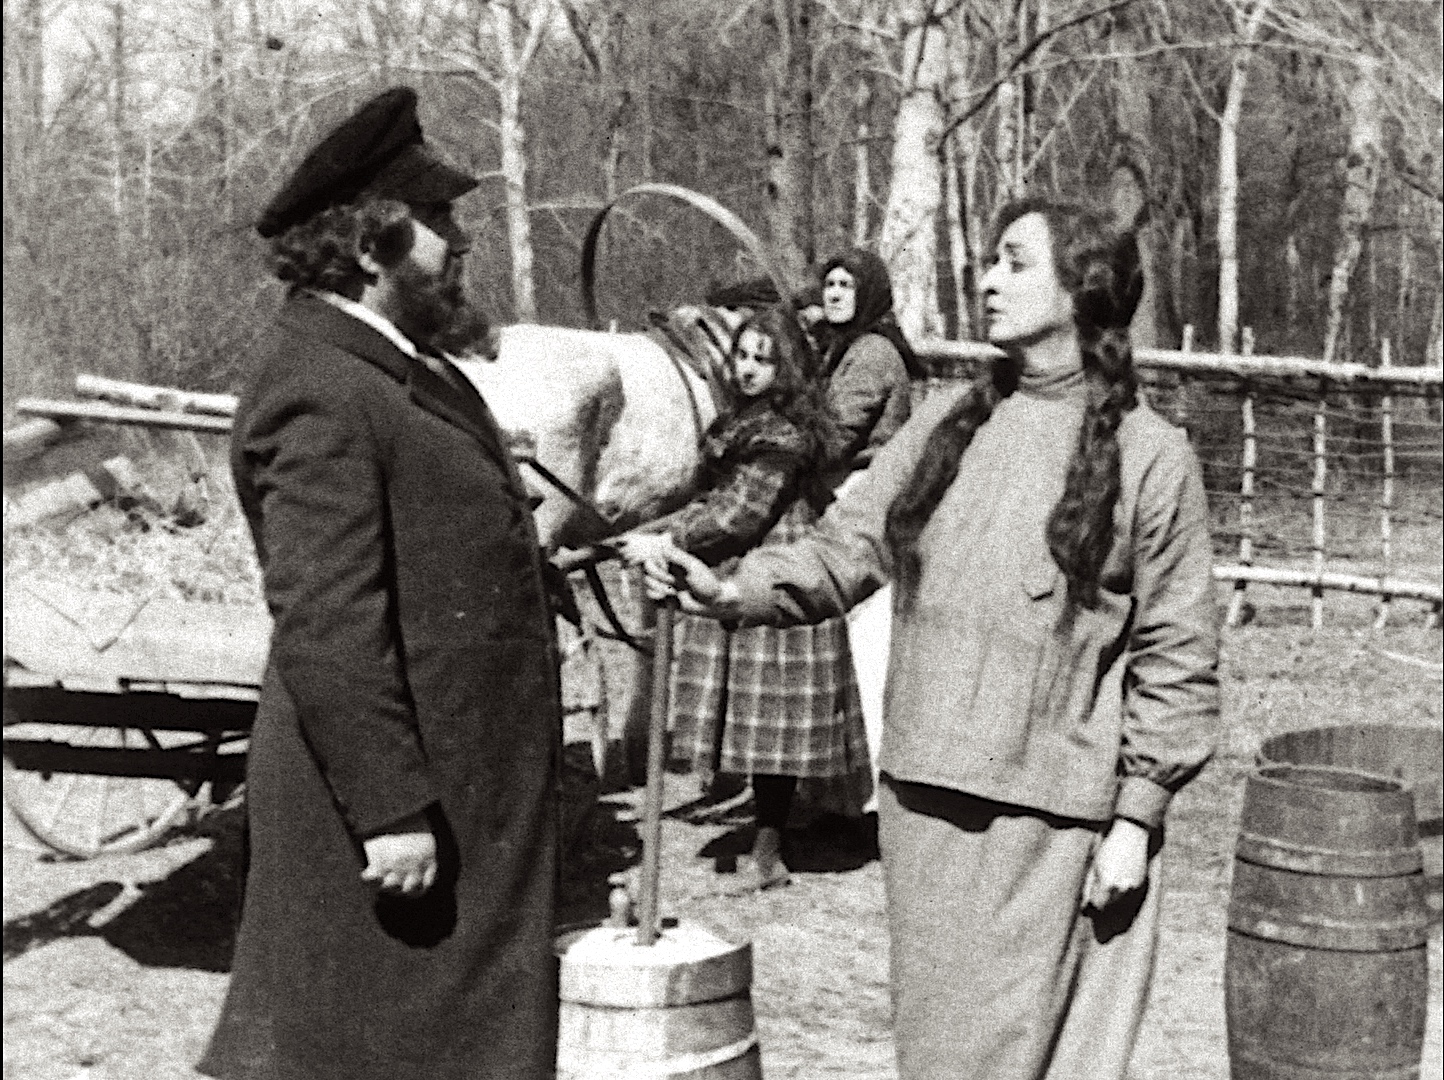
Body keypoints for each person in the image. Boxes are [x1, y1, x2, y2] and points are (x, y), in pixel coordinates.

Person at [642, 198, 1219, 1080]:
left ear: (1083, 286)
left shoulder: (1151, 455)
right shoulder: (951, 421)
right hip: (925, 803)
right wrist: (731, 589)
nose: (987, 280)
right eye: (989, 260)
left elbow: (1178, 655)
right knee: (944, 1059)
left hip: (1056, 823)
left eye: (1015, 262)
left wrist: (1137, 817)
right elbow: (846, 547)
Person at [200, 87, 561, 1080]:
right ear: (371, 246)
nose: (462, 238)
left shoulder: (401, 368)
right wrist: (390, 807)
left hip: (464, 790)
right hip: (392, 813)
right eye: (438, 218)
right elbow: (326, 621)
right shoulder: (320, 385)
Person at [615, 306, 869, 893]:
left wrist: (668, 541)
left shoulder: (782, 436)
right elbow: (715, 503)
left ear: (789, 369)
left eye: (764, 359)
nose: (749, 369)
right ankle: (766, 843)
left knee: (773, 728)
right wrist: (652, 529)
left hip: (774, 572)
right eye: (743, 356)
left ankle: (769, 855)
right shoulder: (743, 424)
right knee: (757, 726)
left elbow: (738, 515)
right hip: (743, 567)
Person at [809, 249, 917, 822]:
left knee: (867, 649)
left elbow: (832, 435)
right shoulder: (845, 348)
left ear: (869, 293)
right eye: (828, 284)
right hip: (848, 497)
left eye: (846, 285)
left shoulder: (871, 353)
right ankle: (847, 795)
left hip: (864, 498)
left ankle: (873, 796)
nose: (833, 294)